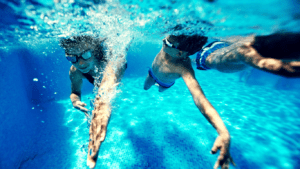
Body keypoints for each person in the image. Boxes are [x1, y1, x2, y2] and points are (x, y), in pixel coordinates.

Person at [144, 35, 236, 169]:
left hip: (166, 82)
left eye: (168, 43)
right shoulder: (171, 41)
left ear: (180, 53)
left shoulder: (184, 69)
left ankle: (162, 85)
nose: (164, 41)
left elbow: (200, 98)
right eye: (167, 39)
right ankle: (156, 84)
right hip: (152, 73)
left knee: (160, 91)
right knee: (145, 87)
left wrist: (222, 131)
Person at [59, 35, 127, 169]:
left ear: (95, 51)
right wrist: (75, 101)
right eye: (72, 58)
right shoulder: (75, 71)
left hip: (116, 63)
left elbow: (104, 98)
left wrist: (97, 127)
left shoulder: (112, 61)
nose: (80, 63)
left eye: (86, 55)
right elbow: (75, 93)